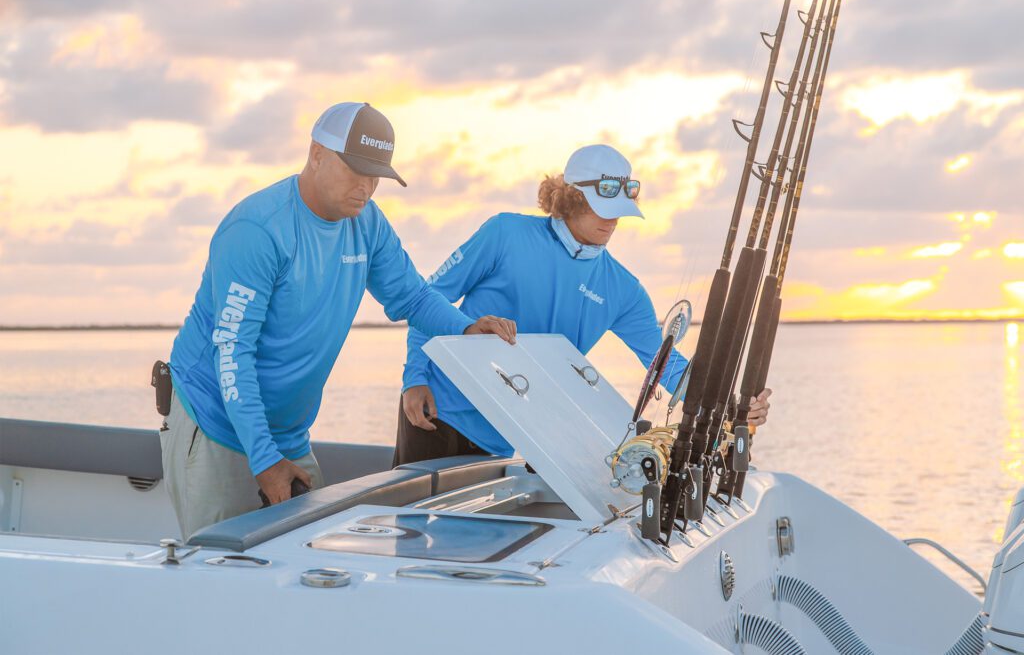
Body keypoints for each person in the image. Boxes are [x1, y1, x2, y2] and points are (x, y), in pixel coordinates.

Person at [162, 102, 516, 538]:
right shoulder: (258, 229)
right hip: (216, 421)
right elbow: (234, 354)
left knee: (304, 562)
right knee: (219, 569)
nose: (366, 187)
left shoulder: (366, 223)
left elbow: (414, 296)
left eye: (376, 177)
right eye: (355, 171)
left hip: (289, 431)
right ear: (316, 154)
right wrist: (264, 458)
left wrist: (465, 328)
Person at [395, 144, 771, 466]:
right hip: (435, 409)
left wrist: (731, 404)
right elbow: (429, 298)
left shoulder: (624, 290)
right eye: (601, 206)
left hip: (503, 434)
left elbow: (666, 365)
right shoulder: (504, 233)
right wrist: (415, 378)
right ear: (570, 198)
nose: (613, 219)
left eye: (620, 208)